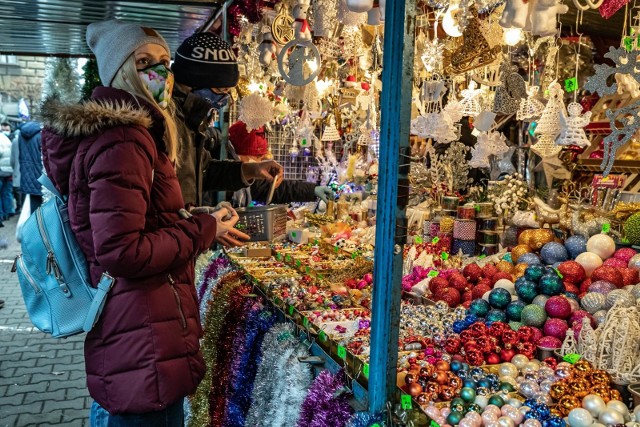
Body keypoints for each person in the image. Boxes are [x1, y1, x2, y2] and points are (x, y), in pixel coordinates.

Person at [40, 19, 249, 425]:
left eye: (164, 62)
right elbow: (122, 251)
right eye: (144, 62)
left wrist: (191, 218)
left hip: (142, 328)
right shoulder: (124, 140)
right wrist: (203, 230)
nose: (160, 73)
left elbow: (137, 220)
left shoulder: (135, 134)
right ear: (119, 71)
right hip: (142, 332)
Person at [171, 32, 284, 209]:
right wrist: (203, 225)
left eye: (228, 91)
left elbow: (203, 172)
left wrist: (251, 170)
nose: (224, 100)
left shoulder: (192, 123)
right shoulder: (166, 123)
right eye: (219, 89)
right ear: (191, 82)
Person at [227, 120, 334, 207]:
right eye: (257, 157)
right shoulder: (223, 179)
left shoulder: (248, 178)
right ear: (237, 155)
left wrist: (312, 190)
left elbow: (278, 189)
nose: (259, 162)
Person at [17, 121, 42, 214]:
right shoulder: (41, 134)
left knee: (33, 209)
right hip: (40, 175)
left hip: (26, 176)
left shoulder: (21, 134)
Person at [0, 130, 14, 220]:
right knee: (6, 192)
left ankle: (1, 215)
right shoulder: (5, 137)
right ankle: (9, 211)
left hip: (1, 170)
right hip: (9, 170)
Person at [10, 128, 22, 214]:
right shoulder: (38, 137)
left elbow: (12, 160)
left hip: (18, 170)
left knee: (18, 190)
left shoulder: (15, 141)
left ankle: (19, 207)